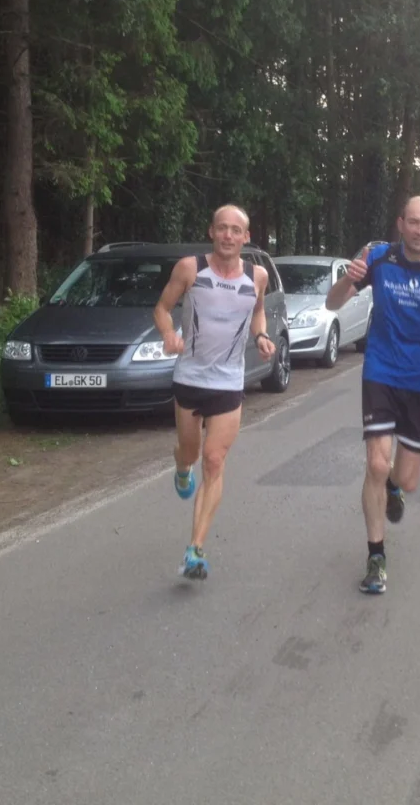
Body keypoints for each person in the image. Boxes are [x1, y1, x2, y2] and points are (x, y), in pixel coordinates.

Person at [326, 196, 420, 594]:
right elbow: (332, 303)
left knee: (407, 480)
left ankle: (395, 487)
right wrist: (348, 278)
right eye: (413, 222)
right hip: (381, 370)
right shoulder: (378, 258)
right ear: (400, 224)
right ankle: (376, 555)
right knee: (376, 465)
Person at [153, 204, 276, 580]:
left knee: (214, 460)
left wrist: (261, 334)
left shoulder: (257, 276)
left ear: (246, 236)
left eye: (235, 230)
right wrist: (169, 334)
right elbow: (161, 307)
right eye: (222, 228)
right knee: (190, 452)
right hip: (190, 378)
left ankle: (195, 550)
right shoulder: (190, 268)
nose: (228, 235)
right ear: (211, 231)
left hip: (227, 381)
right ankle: (180, 465)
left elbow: (257, 312)